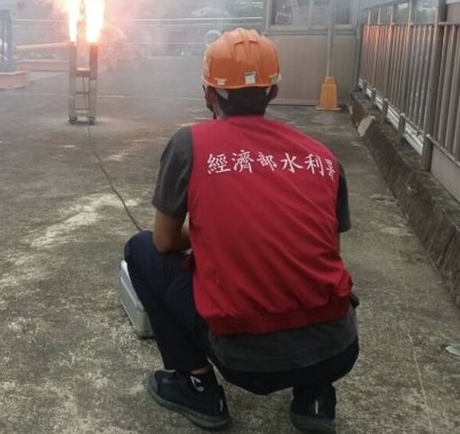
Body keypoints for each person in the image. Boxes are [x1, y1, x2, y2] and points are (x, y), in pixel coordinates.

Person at [124, 28, 358, 433]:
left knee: (141, 249)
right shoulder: (321, 155)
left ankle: (198, 386)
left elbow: (164, 241)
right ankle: (315, 396)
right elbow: (327, 250)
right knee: (308, 275)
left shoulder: (190, 143)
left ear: (208, 94)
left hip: (247, 362)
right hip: (339, 348)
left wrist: (212, 234)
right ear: (274, 91)